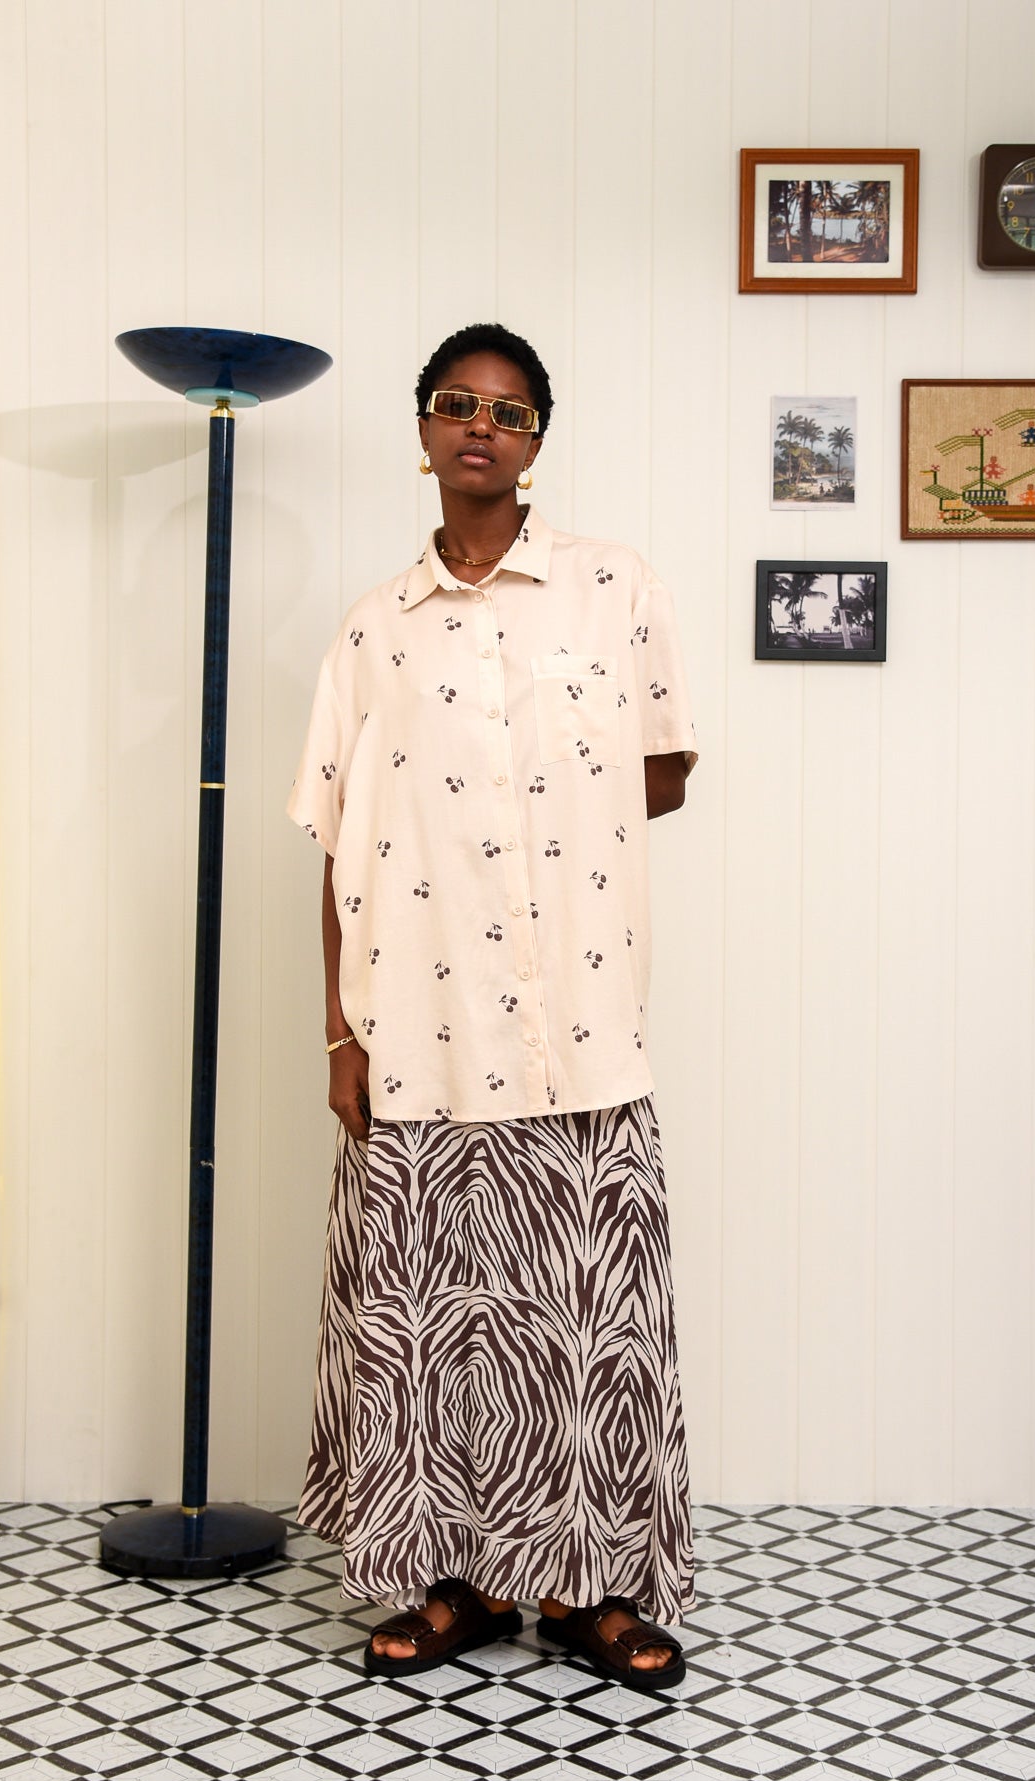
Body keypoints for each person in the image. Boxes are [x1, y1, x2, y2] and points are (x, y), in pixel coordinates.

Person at [287, 321, 700, 1689]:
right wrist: (339, 1032)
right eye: (457, 403)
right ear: (422, 430)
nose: (481, 426)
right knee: (431, 1324)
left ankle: (591, 1589)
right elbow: (338, 843)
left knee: (590, 1324)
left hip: (578, 1027)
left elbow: (660, 775)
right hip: (418, 1029)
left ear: (537, 440)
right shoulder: (375, 630)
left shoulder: (614, 590)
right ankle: (451, 1582)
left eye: (509, 410)